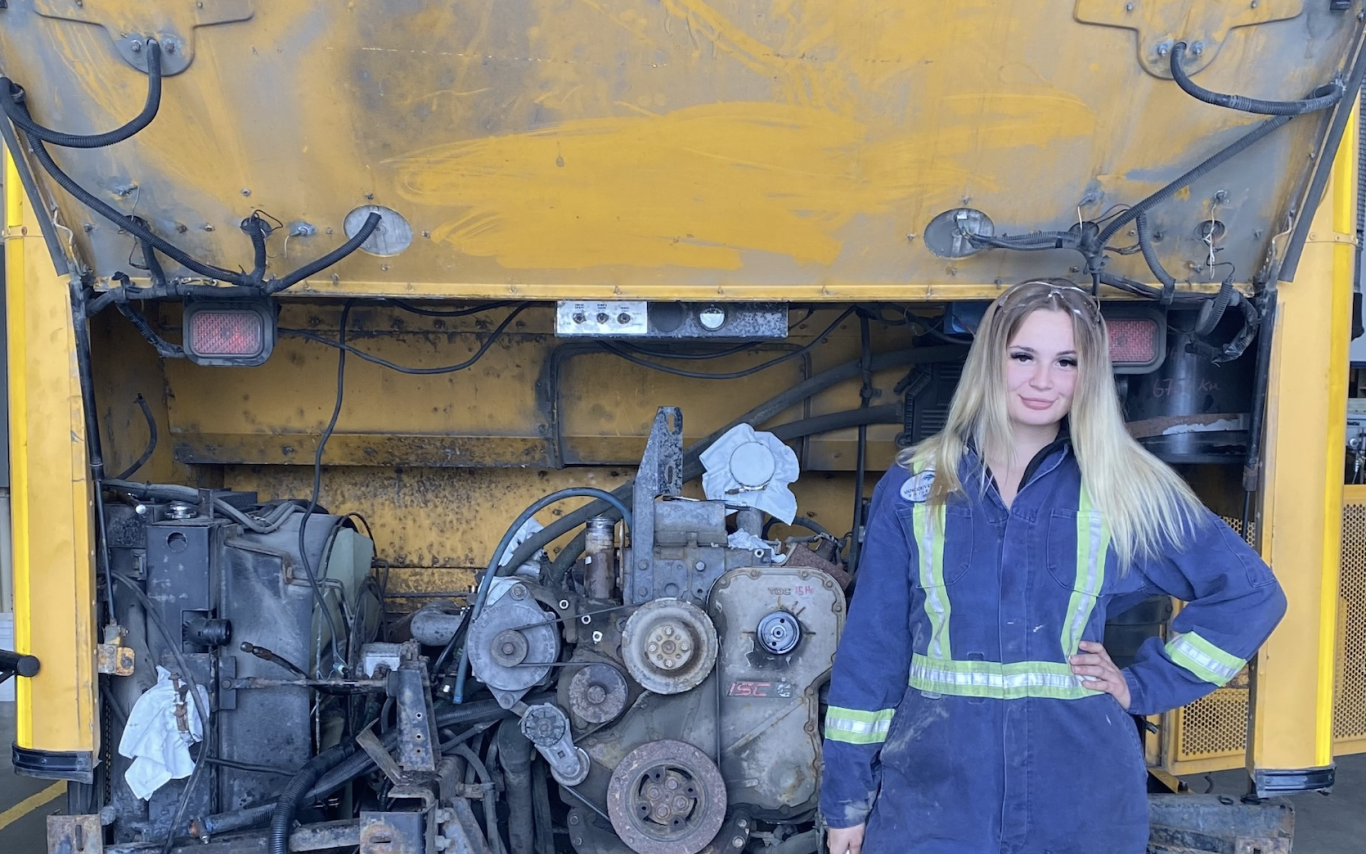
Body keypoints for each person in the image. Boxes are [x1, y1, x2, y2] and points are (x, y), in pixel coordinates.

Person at [819, 279, 1287, 854]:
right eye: (1024, 356)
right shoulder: (917, 488)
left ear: (1086, 376)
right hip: (934, 807)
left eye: (1066, 361)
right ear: (991, 362)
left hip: (1081, 805)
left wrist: (1143, 685)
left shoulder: (1120, 487)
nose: (1043, 380)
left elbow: (1250, 594)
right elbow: (872, 652)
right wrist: (845, 801)